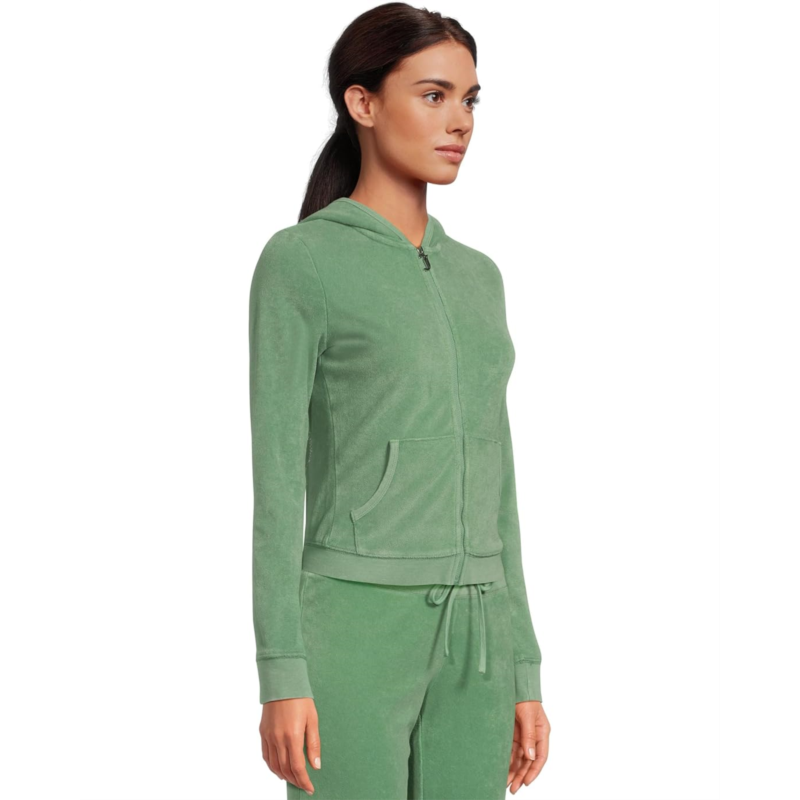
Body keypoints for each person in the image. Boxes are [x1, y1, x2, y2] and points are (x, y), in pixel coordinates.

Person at [248, 3, 551, 797]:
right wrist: (282, 670)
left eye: (469, 99)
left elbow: (499, 481)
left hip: (479, 631)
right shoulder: (302, 261)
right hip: (354, 625)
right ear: (363, 103)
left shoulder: (479, 277)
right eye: (433, 95)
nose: (460, 121)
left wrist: (523, 666)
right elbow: (276, 482)